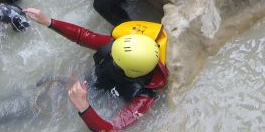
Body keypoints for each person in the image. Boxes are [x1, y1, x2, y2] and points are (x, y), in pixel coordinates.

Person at [22, 7, 168, 131]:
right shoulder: (117, 47)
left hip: (94, 102)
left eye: (115, 59)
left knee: (26, 112)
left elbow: (111, 128)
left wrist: (83, 106)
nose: (111, 53)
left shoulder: (143, 97)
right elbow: (83, 36)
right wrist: (49, 21)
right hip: (87, 84)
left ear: (129, 71)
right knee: (24, 99)